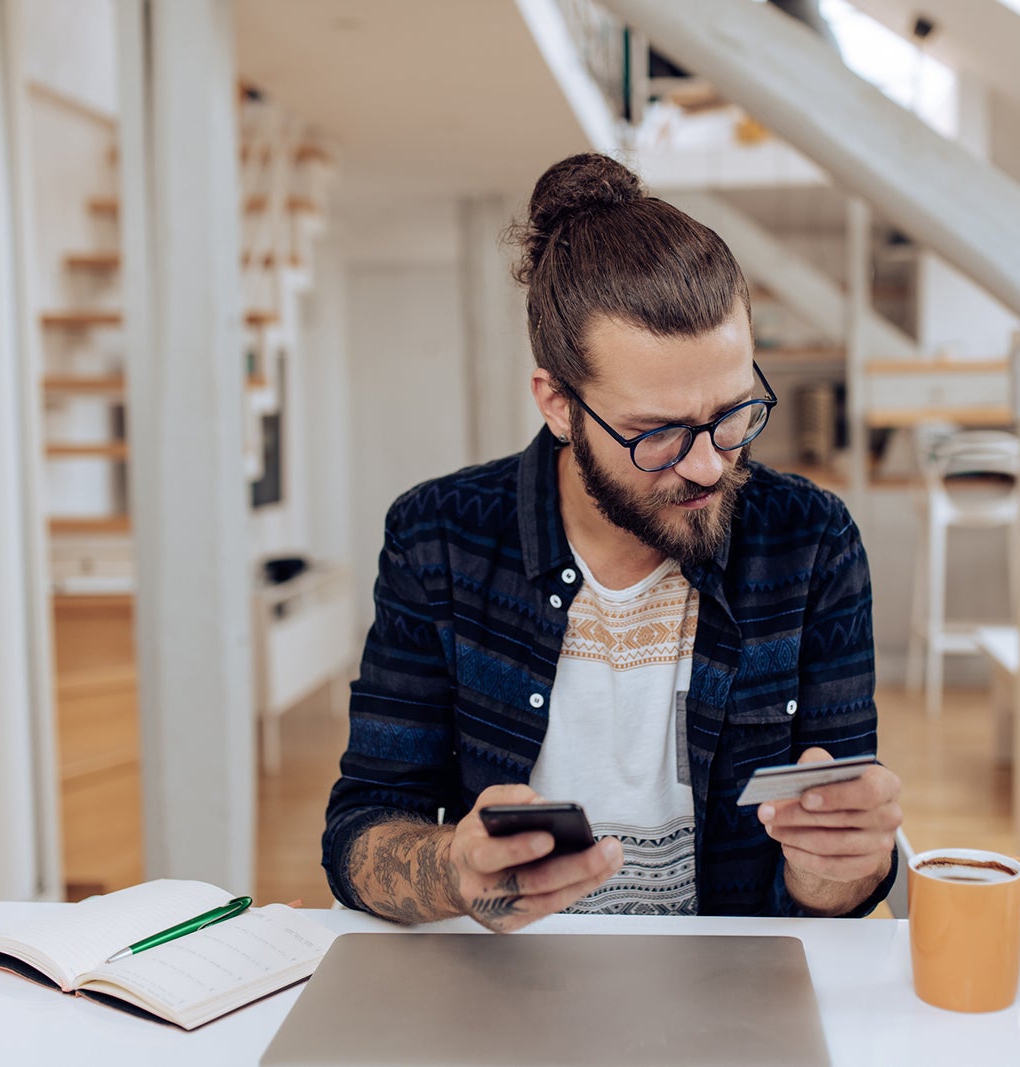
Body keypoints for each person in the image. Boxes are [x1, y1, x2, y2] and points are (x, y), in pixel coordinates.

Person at [322, 153, 903, 931]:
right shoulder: (439, 538)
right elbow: (361, 833)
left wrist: (842, 864)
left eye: (732, 413)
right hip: (505, 991)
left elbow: (829, 897)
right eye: (656, 433)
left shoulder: (812, 543)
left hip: (729, 994)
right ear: (558, 404)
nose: (707, 464)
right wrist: (452, 871)